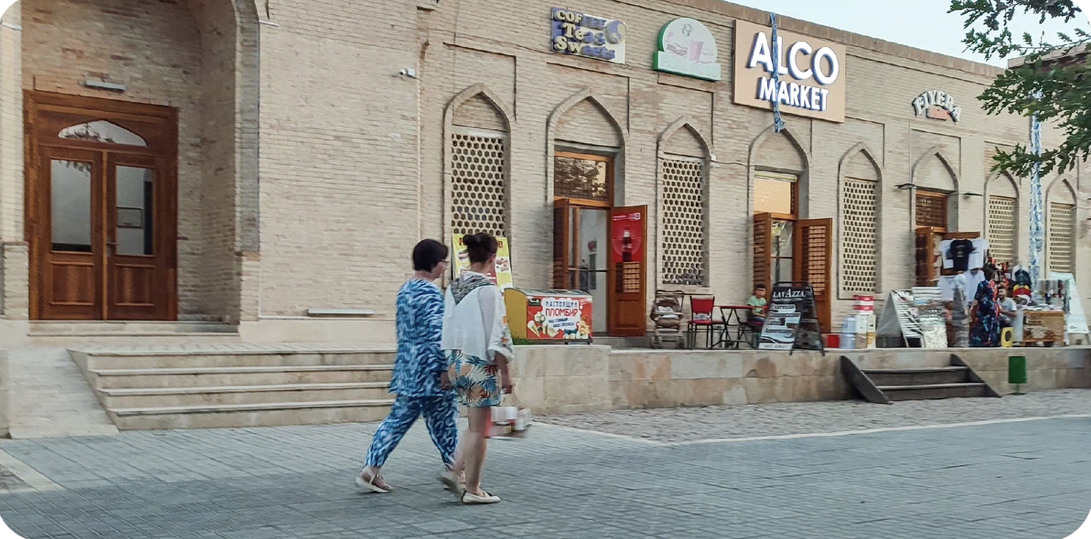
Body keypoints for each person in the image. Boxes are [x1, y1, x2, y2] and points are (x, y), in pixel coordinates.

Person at [356, 239, 457, 494]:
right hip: (430, 372)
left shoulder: (405, 290)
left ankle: (371, 469)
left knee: (396, 421)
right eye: (444, 262)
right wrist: (445, 369)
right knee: (444, 422)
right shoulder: (431, 294)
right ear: (433, 264)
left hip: (408, 368)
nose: (445, 267)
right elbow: (436, 334)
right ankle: (458, 471)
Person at [440, 233, 513, 505]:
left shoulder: (453, 288)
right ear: (493, 258)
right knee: (479, 429)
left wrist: (447, 364)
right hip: (481, 364)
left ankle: (455, 469)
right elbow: (499, 335)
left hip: (457, 361)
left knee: (472, 425)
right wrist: (506, 371)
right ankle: (473, 487)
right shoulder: (490, 291)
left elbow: (446, 328)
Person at [969, 266, 1001, 347]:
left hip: (984, 307)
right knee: (992, 323)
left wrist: (971, 308)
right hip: (994, 307)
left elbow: (977, 297)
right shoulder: (995, 285)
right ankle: (992, 341)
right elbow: (996, 297)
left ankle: (981, 342)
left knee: (982, 324)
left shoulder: (982, 284)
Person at [948, 273, 970, 348]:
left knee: (960, 333)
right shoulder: (959, 290)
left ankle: (961, 346)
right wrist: (965, 311)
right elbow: (961, 303)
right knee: (961, 333)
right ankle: (961, 346)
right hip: (961, 317)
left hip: (959, 316)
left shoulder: (958, 289)